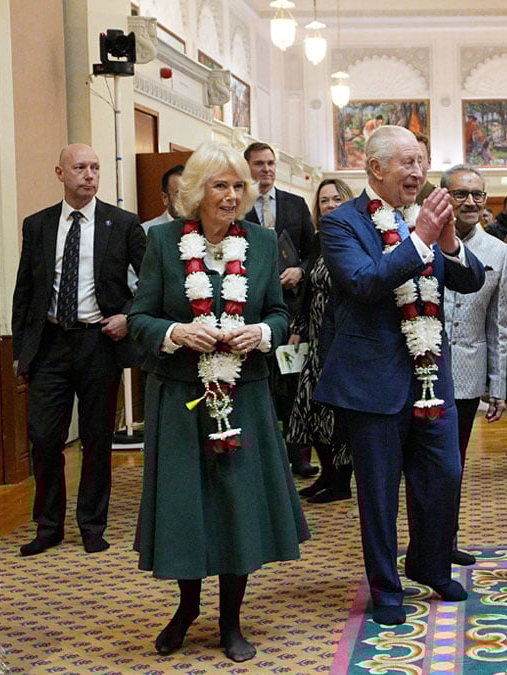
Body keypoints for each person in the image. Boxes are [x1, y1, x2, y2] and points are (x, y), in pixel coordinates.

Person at [128, 142, 308, 662]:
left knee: (236, 506)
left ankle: (231, 621)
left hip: (244, 395)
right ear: (195, 191)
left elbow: (279, 312)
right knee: (187, 507)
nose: (231, 196)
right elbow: (140, 319)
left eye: (238, 186)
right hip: (180, 395)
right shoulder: (162, 242)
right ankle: (187, 608)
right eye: (220, 185)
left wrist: (260, 332)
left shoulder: (264, 242)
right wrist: (179, 331)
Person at [316, 125, 485, 626]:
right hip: (372, 380)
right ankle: (385, 588)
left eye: (422, 162)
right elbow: (365, 283)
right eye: (407, 163)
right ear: (375, 169)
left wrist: (449, 243)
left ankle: (430, 565)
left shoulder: (426, 216)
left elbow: (470, 280)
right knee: (379, 492)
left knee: (444, 476)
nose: (418, 173)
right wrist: (423, 240)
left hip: (431, 373)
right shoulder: (341, 223)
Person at [12, 143, 146, 557]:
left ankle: (92, 524)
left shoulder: (122, 223)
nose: (89, 175)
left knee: (96, 438)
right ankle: (48, 525)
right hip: (50, 344)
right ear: (60, 173)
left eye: (95, 168)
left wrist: (129, 315)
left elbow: (153, 281)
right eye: (80, 168)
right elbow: (25, 291)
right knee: (44, 437)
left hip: (98, 343)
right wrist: (21, 350)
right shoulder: (37, 225)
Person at [440, 164, 507, 565]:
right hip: (423, 369)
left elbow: (498, 323)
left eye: (477, 195)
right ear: (445, 196)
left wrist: (496, 385)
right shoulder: (423, 240)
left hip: (468, 372)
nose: (469, 202)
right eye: (461, 194)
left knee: (454, 464)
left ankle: (446, 541)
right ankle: (424, 541)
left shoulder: (498, 250)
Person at [243, 141, 321, 478]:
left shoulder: (294, 203)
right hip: (250, 309)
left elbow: (311, 251)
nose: (266, 170)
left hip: (291, 307)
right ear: (247, 167)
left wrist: (301, 270)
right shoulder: (238, 204)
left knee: (292, 386)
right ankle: (261, 458)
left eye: (271, 163)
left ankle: (298, 456)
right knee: (260, 385)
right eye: (259, 164)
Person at [287, 179, 355, 503]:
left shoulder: (355, 239)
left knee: (336, 415)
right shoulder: (318, 240)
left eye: (336, 199)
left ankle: (341, 482)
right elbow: (309, 289)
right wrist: (298, 328)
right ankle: (326, 474)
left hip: (342, 342)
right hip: (313, 341)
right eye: (324, 200)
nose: (329, 205)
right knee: (310, 411)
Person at [140, 164, 185, 233]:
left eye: (190, 194)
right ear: (165, 198)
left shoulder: (204, 229)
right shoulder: (146, 231)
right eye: (179, 194)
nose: (186, 199)